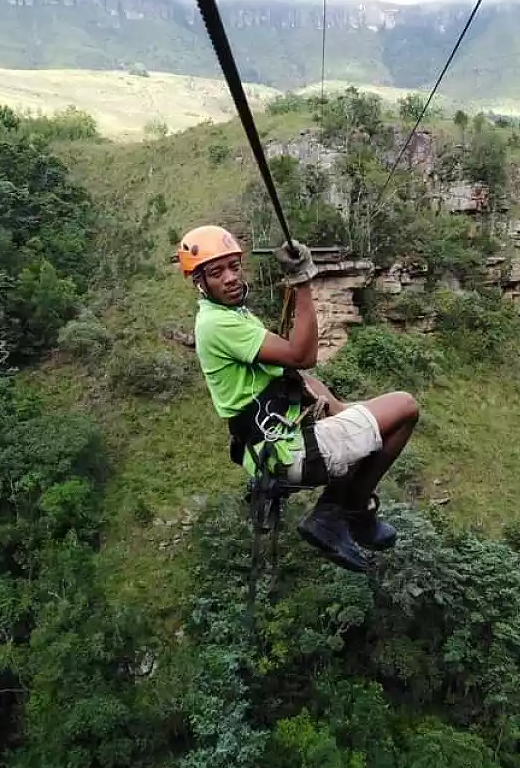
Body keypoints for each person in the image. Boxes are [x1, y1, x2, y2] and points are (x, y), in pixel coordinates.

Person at [178, 225, 419, 573]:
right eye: (217, 273)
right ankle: (347, 511)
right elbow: (302, 356)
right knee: (404, 407)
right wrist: (303, 282)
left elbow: (292, 374)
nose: (230, 278)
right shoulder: (217, 324)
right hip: (287, 450)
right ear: (200, 282)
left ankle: (339, 512)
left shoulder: (233, 315)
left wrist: (337, 408)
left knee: (372, 416)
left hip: (276, 445)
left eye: (234, 266)